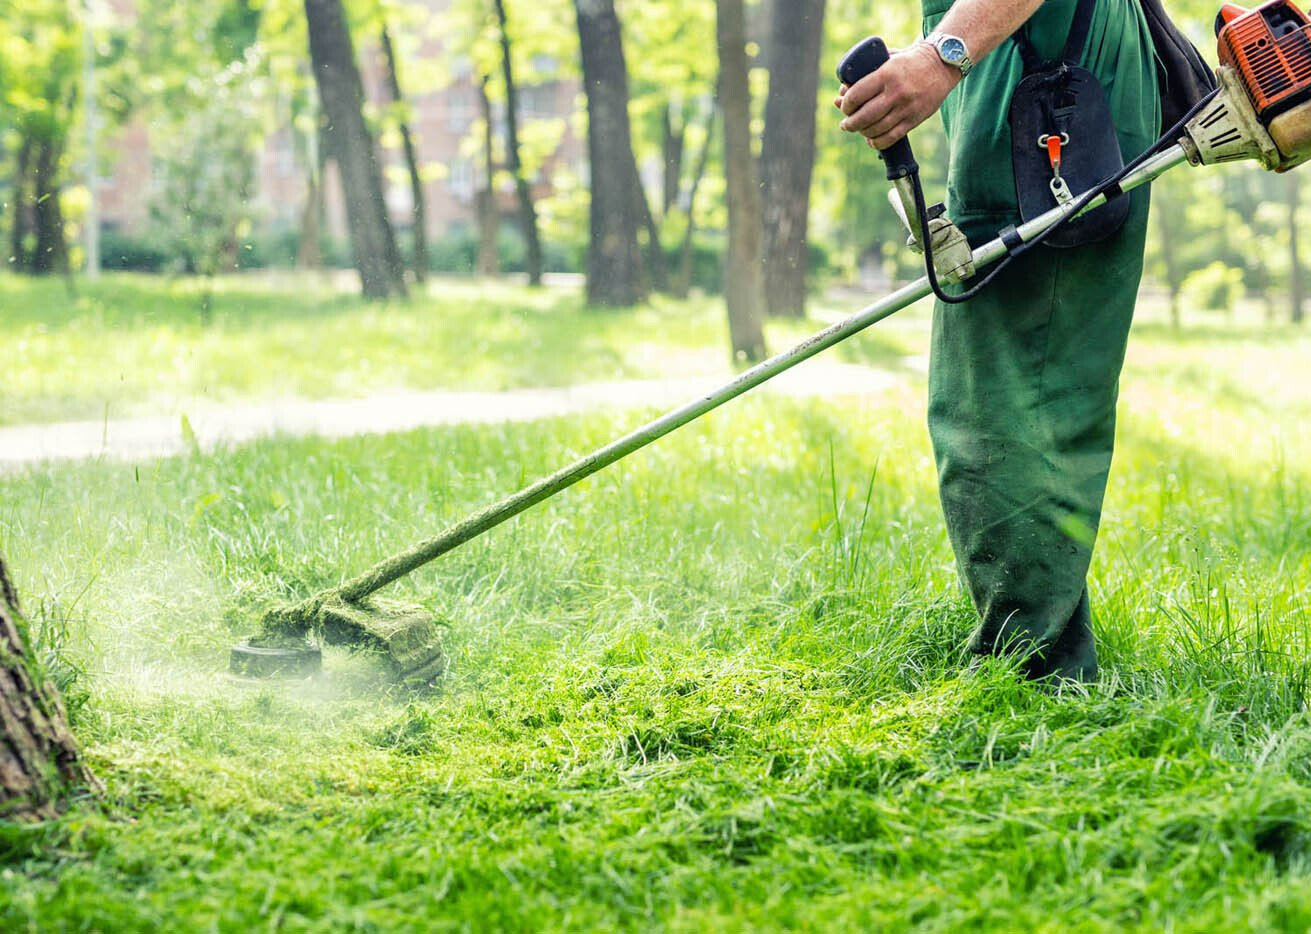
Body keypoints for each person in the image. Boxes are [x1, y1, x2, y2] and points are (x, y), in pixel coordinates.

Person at [836, 0, 1159, 682]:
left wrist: (940, 55)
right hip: (1023, 53)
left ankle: (1033, 674)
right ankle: (1044, 653)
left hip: (1043, 68)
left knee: (1009, 389)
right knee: (1009, 383)